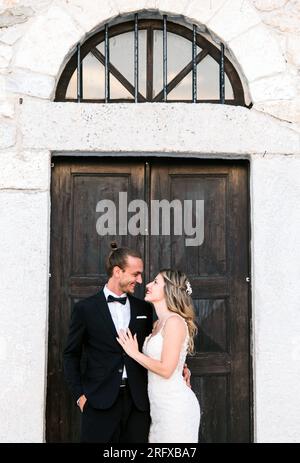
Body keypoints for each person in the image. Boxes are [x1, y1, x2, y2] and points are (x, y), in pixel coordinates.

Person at [63, 244, 190, 443]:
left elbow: (160, 345)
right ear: (117, 272)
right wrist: (80, 396)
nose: (140, 280)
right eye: (136, 274)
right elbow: (71, 355)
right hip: (98, 403)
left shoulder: (145, 309)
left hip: (139, 403)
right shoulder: (85, 310)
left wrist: (181, 366)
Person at [117, 269, 201, 443]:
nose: (147, 285)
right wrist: (182, 366)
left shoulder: (175, 322)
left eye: (155, 282)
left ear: (169, 289)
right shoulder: (157, 324)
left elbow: (166, 370)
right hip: (158, 407)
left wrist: (134, 353)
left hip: (175, 407)